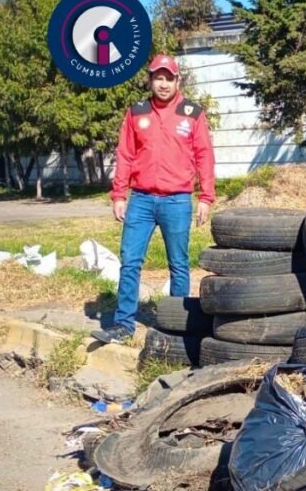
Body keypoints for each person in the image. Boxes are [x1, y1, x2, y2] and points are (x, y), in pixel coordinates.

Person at [92, 55, 216, 344]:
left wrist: (206, 197)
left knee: (178, 264)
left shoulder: (192, 113)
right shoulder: (136, 112)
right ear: (150, 80)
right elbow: (125, 155)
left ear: (177, 80)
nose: (163, 83)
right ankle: (123, 325)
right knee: (130, 261)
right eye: (157, 78)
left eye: (168, 78)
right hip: (141, 201)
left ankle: (178, 327)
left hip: (177, 201)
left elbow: (204, 156)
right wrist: (119, 194)